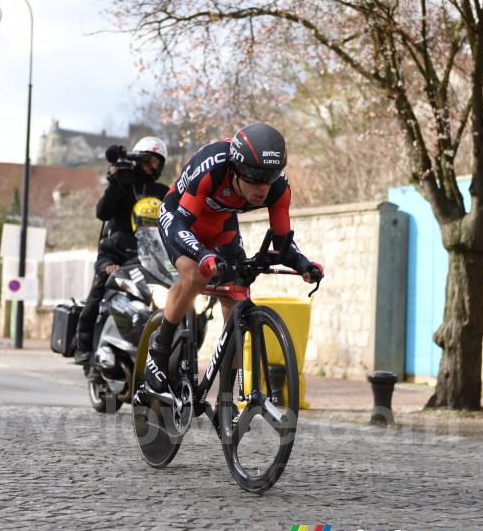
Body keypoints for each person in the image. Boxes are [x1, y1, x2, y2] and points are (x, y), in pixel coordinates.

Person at [145, 122, 323, 394]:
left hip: (220, 225)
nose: (262, 187)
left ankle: (226, 396)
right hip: (180, 217)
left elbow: (282, 241)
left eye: (270, 177)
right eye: (253, 177)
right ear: (236, 168)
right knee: (195, 274)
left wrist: (303, 264)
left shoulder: (278, 188)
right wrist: (202, 254)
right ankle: (159, 349)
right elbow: (181, 223)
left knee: (238, 292)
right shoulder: (212, 167)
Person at [74, 136, 170, 365]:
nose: (152, 165)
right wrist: (116, 183)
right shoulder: (123, 184)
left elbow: (174, 220)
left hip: (151, 255)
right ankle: (83, 348)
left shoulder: (162, 191)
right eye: (148, 159)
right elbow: (103, 212)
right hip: (117, 252)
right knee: (95, 297)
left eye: (157, 161)